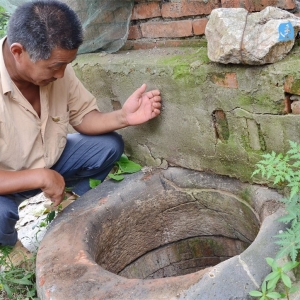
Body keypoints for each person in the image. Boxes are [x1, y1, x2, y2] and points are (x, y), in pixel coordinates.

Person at [0, 0, 161, 248]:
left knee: (108, 145)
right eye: (55, 66)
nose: (61, 75)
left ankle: (69, 207)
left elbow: (84, 117)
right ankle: (11, 249)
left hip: (50, 163)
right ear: (18, 52)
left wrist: (123, 117)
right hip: (7, 183)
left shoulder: (57, 69)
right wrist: (41, 177)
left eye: (67, 65)